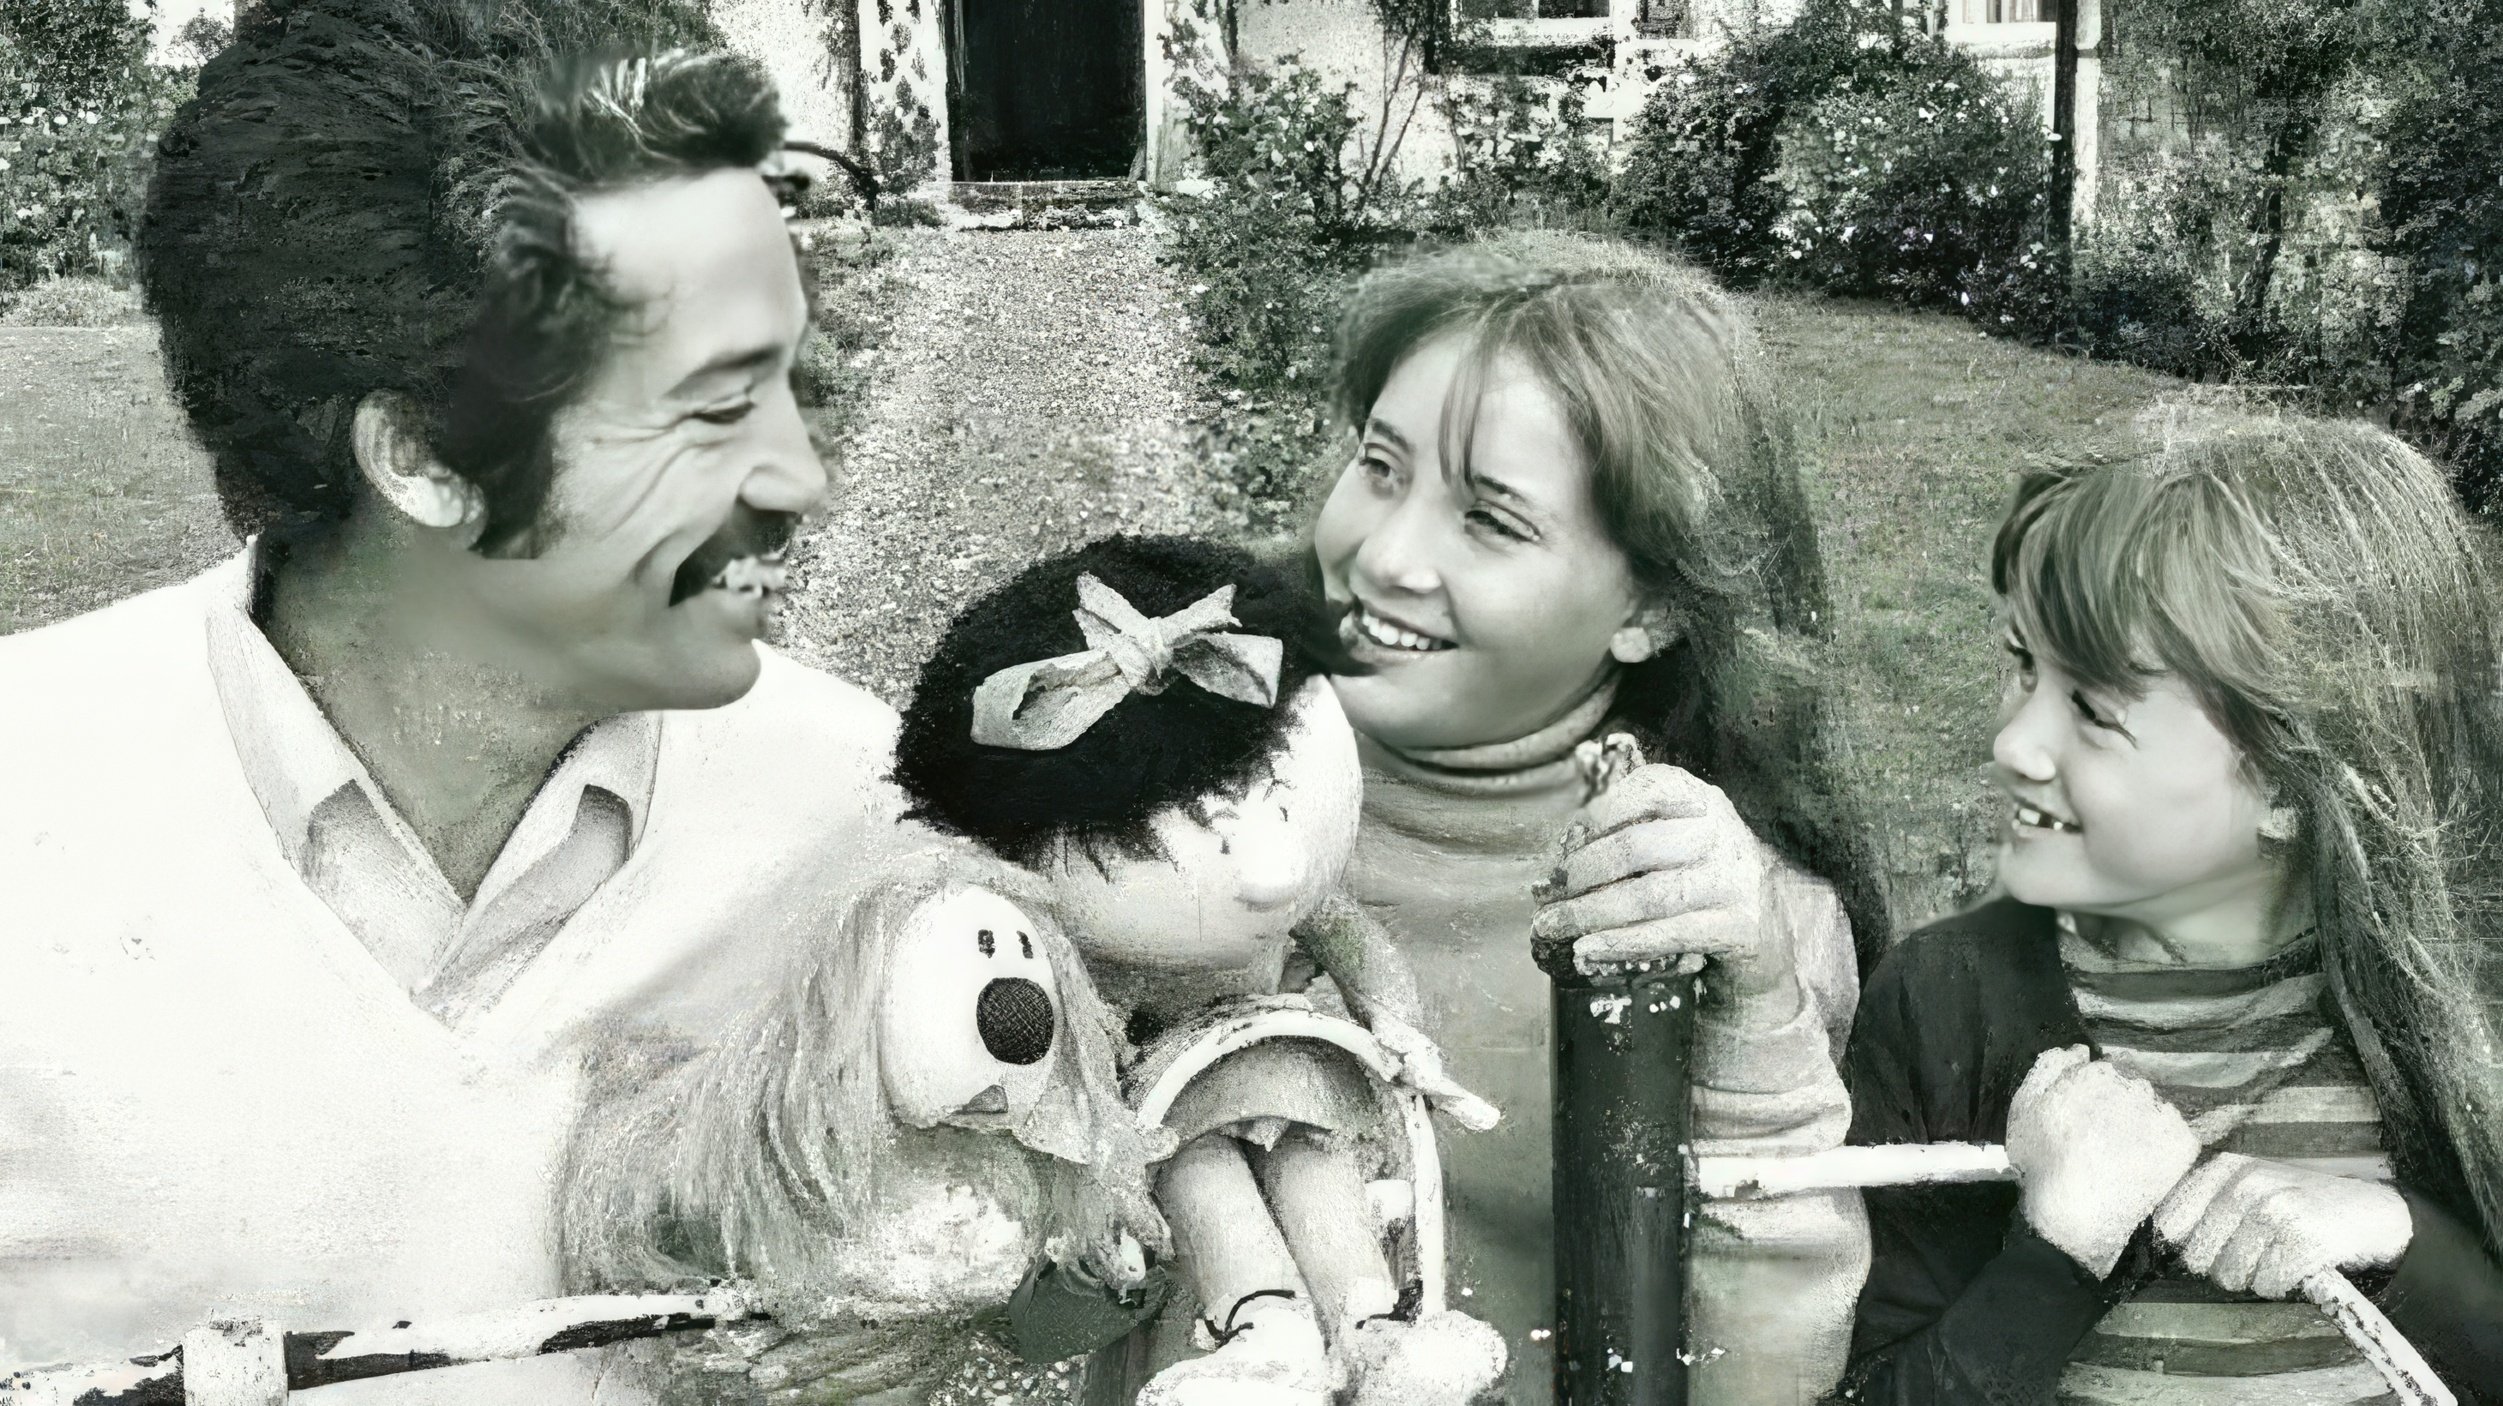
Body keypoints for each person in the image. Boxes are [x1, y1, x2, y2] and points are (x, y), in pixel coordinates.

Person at [0, 2, 909, 1400]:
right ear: (420, 453)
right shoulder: (26, 807)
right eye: (711, 409)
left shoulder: (866, 824)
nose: (802, 480)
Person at [1304, 232, 1888, 1404]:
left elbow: (1759, 1378)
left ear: (1656, 604)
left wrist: (1764, 1012)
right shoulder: (1181, 807)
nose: (1385, 553)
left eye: (1491, 519)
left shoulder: (1722, 914)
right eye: (1379, 464)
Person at [1843, 411, 2503, 1404]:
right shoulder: (1944, 1003)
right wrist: (2056, 1247)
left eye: (2096, 709)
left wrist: (2403, 1239)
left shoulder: (2465, 1015)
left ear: (2291, 782)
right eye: (2022, 662)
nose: (2014, 741)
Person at [890, 534, 1506, 1406]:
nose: (1270, 870)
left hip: (1285, 1068)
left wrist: (1398, 1029)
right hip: (1159, 1139)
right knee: (1194, 1161)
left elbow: (1353, 947)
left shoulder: (1300, 939)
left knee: (1311, 1156)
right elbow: (1037, 1317)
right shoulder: (1057, 981)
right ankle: (1262, 1328)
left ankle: (1369, 1328)